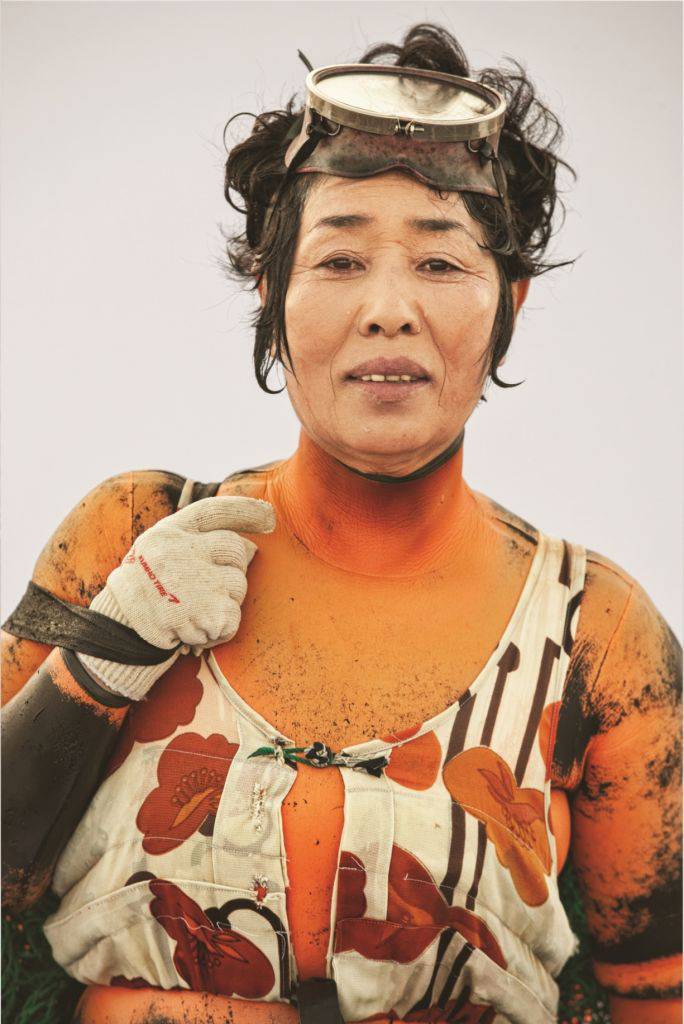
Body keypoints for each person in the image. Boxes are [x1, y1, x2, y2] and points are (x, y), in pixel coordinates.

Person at [1, 22, 681, 1024]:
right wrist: (104, 655)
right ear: (271, 290)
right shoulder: (131, 534)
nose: (388, 308)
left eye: (441, 263)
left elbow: (658, 995)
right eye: (340, 259)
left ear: (510, 303)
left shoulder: (596, 634)